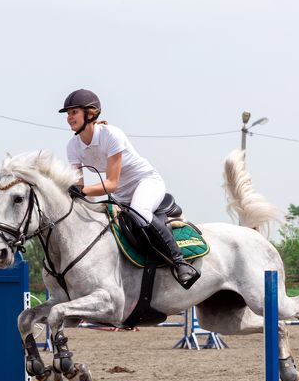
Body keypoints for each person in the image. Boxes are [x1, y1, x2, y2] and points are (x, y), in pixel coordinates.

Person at [60, 89, 199, 289]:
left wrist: (81, 191)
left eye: (74, 112)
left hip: (146, 182)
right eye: (68, 113)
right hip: (121, 195)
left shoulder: (111, 135)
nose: (69, 117)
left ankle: (180, 262)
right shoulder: (72, 146)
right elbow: (79, 187)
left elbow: (111, 183)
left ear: (90, 114)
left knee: (140, 213)